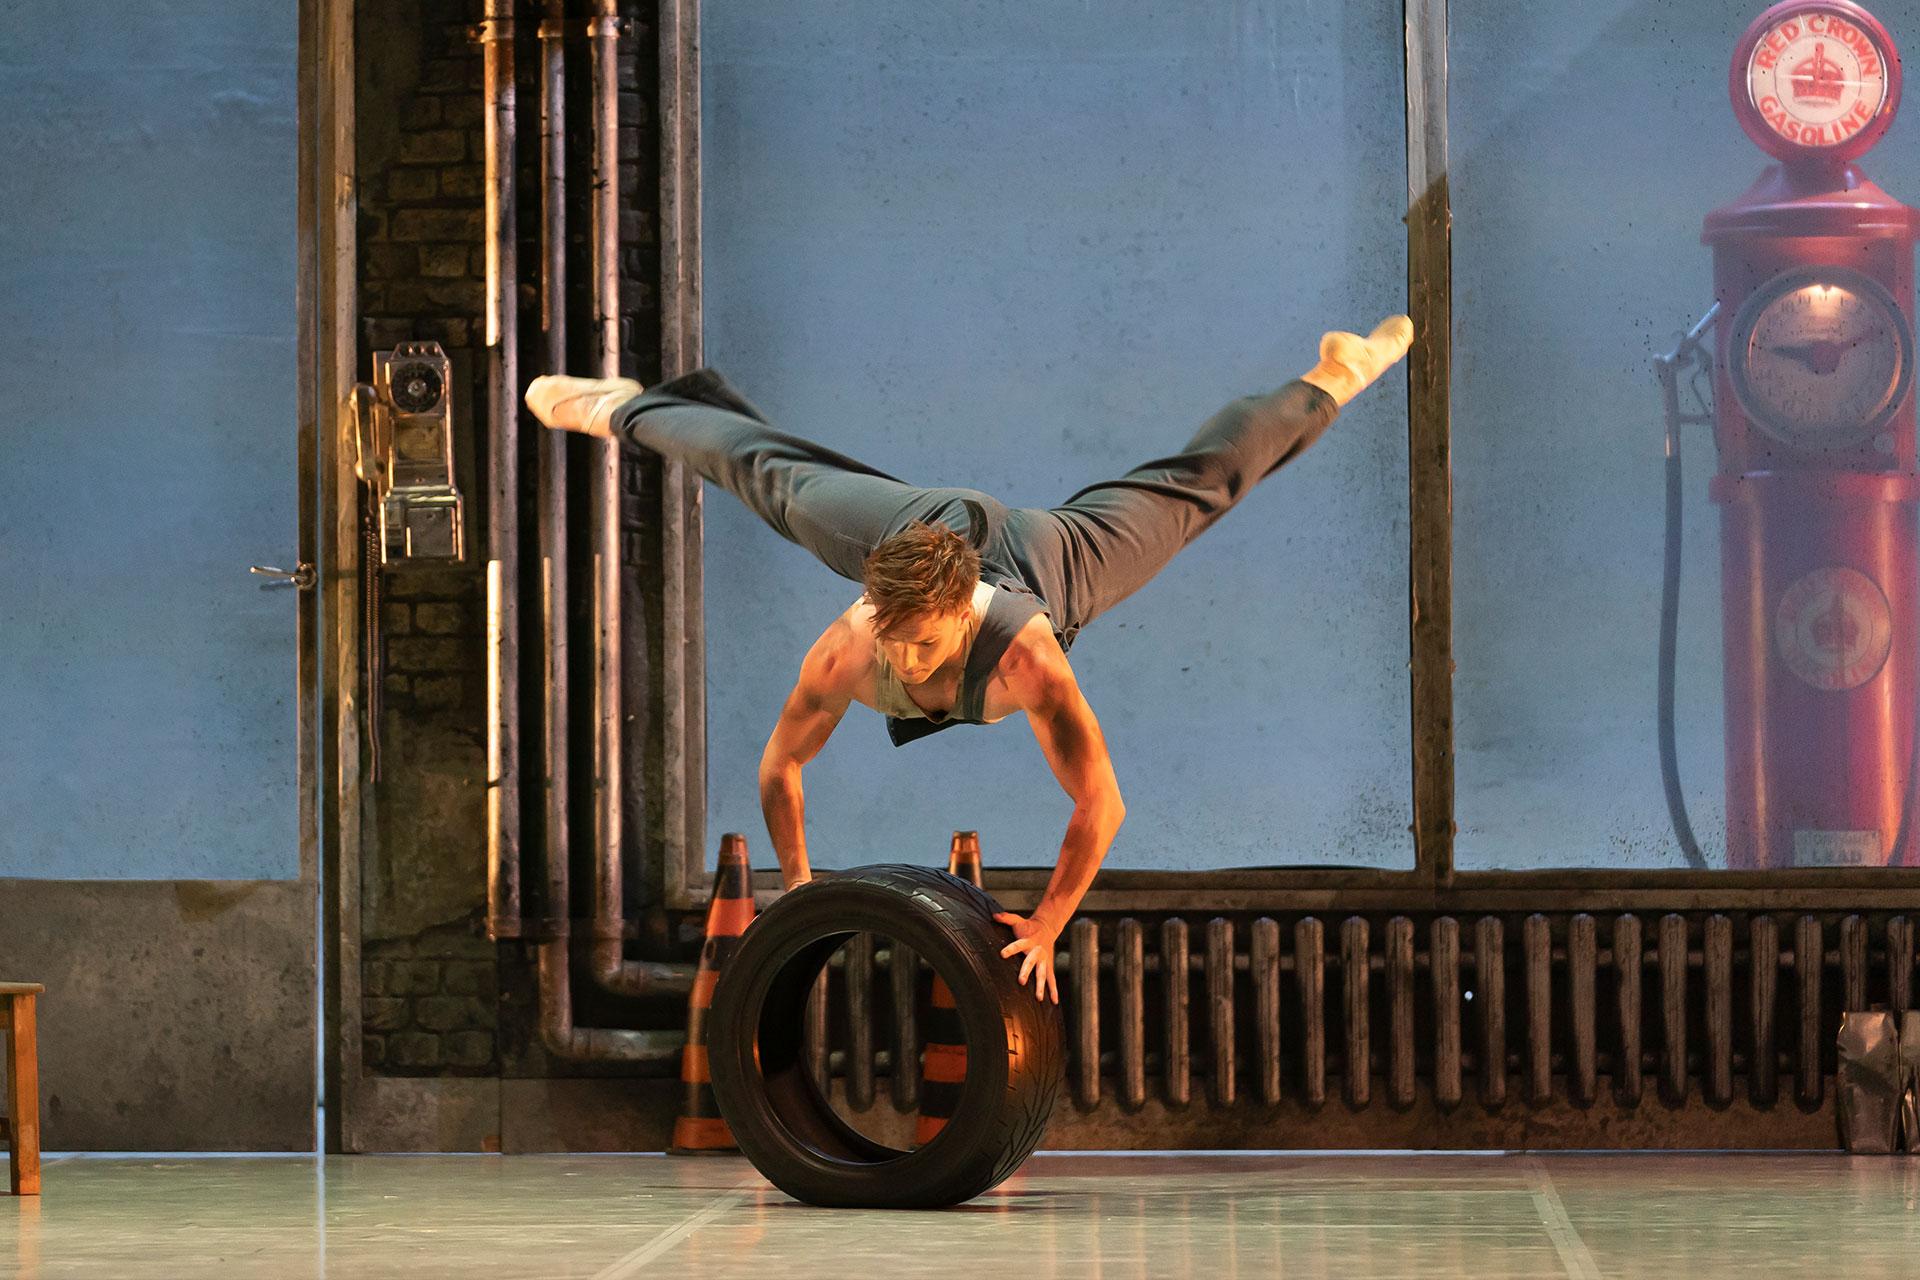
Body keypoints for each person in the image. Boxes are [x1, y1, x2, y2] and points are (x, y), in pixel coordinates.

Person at [525, 315, 1414, 1003]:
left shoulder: (1030, 658)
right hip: (911, 530)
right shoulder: (847, 649)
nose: (908, 664)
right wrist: (796, 885)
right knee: (765, 474)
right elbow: (781, 767)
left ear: (959, 620)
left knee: (1195, 488)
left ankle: (1334, 376)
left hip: (1048, 557)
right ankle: (620, 406)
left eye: (924, 645)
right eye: (895, 640)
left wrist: (1050, 924)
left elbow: (1101, 802)